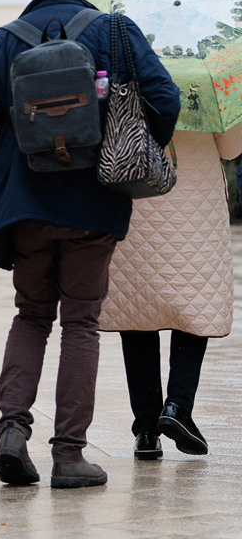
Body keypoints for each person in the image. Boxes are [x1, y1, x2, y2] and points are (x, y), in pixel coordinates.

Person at [0, 0, 180, 489]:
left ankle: (12, 430)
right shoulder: (115, 31)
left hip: (25, 207)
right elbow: (165, 98)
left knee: (31, 316)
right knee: (81, 322)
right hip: (93, 202)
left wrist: (4, 174)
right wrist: (127, 150)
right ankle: (69, 455)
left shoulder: (0, 43)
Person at [98, 124, 242, 459]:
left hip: (135, 187)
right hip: (197, 200)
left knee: (138, 309)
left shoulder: (128, 86)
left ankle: (146, 431)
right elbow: (231, 147)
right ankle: (177, 407)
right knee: (196, 304)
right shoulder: (211, 91)